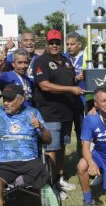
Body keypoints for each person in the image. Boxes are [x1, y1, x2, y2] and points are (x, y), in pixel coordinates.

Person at [0, 84, 52, 206]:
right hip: (3, 164)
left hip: (29, 162)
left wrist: (41, 127)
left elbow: (48, 140)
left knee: (41, 173)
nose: (6, 103)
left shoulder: (32, 113)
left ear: (21, 100)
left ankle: (19, 181)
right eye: (4, 99)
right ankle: (18, 181)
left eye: (10, 99)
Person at [34, 29, 84, 194]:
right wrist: (71, 88)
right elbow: (44, 85)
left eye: (57, 42)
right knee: (51, 149)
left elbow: (68, 79)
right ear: (46, 44)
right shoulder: (41, 61)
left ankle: (60, 178)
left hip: (66, 113)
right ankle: (51, 184)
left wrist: (78, 79)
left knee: (62, 147)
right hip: (51, 113)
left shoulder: (65, 60)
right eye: (51, 42)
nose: (54, 45)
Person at [63, 32, 86, 155]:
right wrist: (76, 78)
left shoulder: (86, 56)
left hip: (82, 100)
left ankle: (82, 158)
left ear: (79, 44)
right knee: (65, 134)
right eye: (67, 44)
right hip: (65, 101)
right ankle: (62, 163)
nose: (69, 47)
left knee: (81, 132)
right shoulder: (63, 57)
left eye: (72, 44)